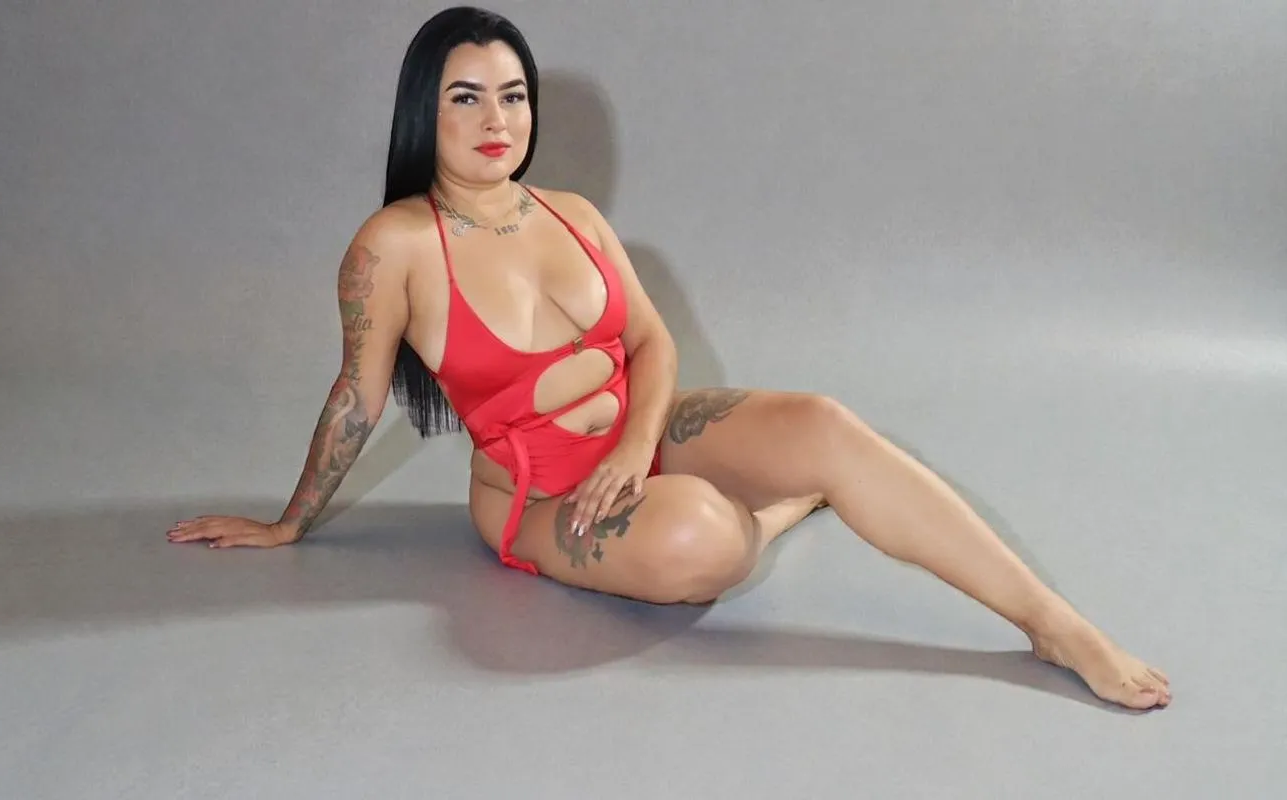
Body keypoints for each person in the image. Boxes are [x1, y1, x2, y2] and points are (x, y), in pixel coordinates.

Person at [167, 5, 1171, 710]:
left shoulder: (572, 212)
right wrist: (288, 523)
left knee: (821, 420)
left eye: (512, 96)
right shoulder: (392, 246)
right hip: (539, 495)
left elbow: (648, 342)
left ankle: (1051, 623)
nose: (495, 121)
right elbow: (354, 397)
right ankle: (779, 508)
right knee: (703, 541)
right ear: (422, 108)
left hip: (640, 441)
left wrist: (629, 448)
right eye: (465, 97)